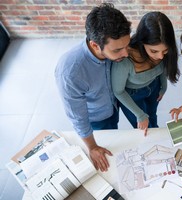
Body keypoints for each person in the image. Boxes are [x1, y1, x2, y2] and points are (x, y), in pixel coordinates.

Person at [55, 3, 131, 172]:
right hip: (97, 117)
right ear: (96, 45)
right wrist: (92, 147)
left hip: (113, 105)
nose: (126, 54)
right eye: (118, 50)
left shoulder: (117, 50)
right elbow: (77, 117)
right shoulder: (70, 72)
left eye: (127, 45)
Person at [112, 12, 179, 135]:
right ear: (142, 42)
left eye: (165, 51)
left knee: (153, 117)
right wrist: (140, 114)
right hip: (132, 96)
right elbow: (118, 91)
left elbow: (161, 70)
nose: (160, 56)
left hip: (153, 87)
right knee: (146, 129)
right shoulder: (125, 59)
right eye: (154, 51)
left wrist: (163, 86)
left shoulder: (161, 54)